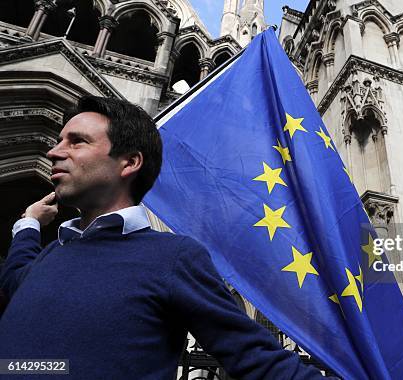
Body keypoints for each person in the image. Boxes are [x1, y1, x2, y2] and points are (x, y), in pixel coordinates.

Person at [0, 96, 327, 379]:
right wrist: (28, 225)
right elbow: (16, 279)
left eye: (77, 141)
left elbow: (256, 359)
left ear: (129, 162)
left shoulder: (172, 258)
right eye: (59, 140)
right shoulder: (50, 255)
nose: (54, 152)